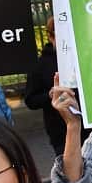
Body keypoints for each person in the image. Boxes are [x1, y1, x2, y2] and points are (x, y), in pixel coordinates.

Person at [23, 17, 73, 157]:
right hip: (60, 131)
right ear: (51, 37)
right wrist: (50, 95)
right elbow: (31, 100)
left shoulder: (81, 57)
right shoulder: (40, 65)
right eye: (60, 35)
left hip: (89, 128)